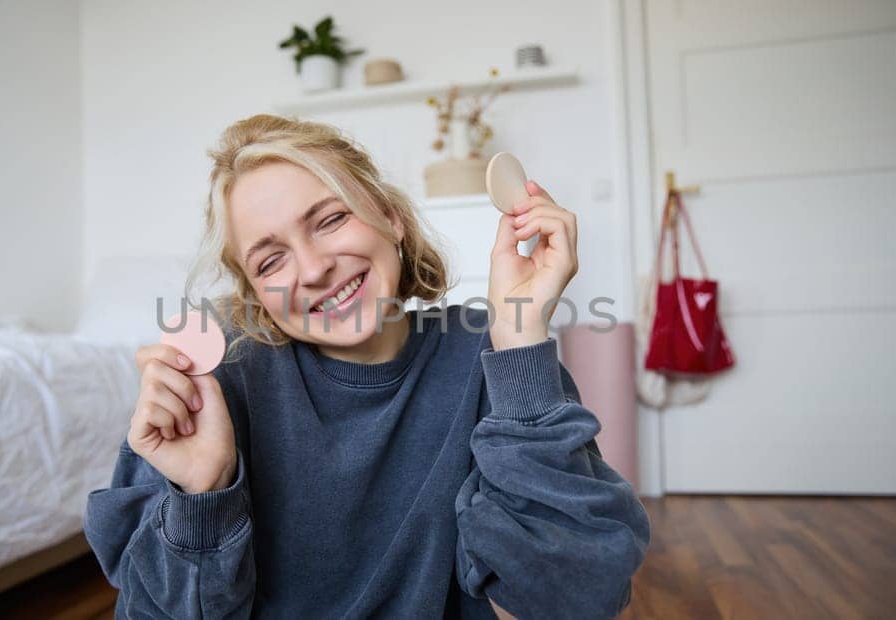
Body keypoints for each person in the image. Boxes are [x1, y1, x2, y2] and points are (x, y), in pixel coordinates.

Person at [84, 114, 650, 619]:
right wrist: (203, 493)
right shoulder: (216, 382)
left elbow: (571, 598)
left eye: (329, 220)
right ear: (255, 292)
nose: (313, 268)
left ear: (390, 216)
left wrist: (521, 339)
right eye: (271, 259)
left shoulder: (490, 352)